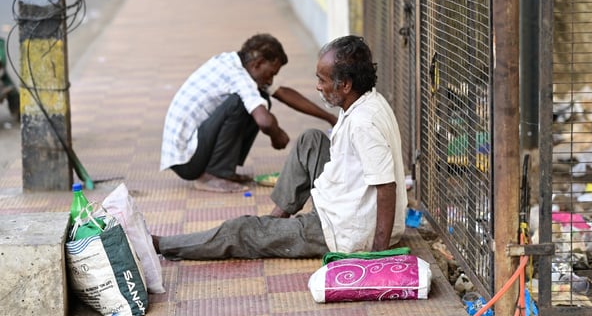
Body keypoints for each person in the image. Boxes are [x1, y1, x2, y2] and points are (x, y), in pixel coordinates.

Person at [154, 35, 408, 259]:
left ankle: (164, 244)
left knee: (241, 231)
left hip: (342, 231)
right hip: (345, 209)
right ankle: (274, 222)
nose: (318, 86)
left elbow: (386, 186)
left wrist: (378, 253)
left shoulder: (363, 123)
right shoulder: (365, 100)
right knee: (311, 140)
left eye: (322, 80)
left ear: (345, 84)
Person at [160, 33, 338, 193]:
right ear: (258, 63)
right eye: (271, 73)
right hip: (187, 160)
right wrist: (276, 135)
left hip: (189, 152)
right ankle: (214, 175)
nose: (270, 80)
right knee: (241, 104)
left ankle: (222, 170)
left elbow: (283, 93)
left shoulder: (238, 64)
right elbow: (264, 122)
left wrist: (330, 117)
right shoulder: (239, 77)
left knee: (261, 98)